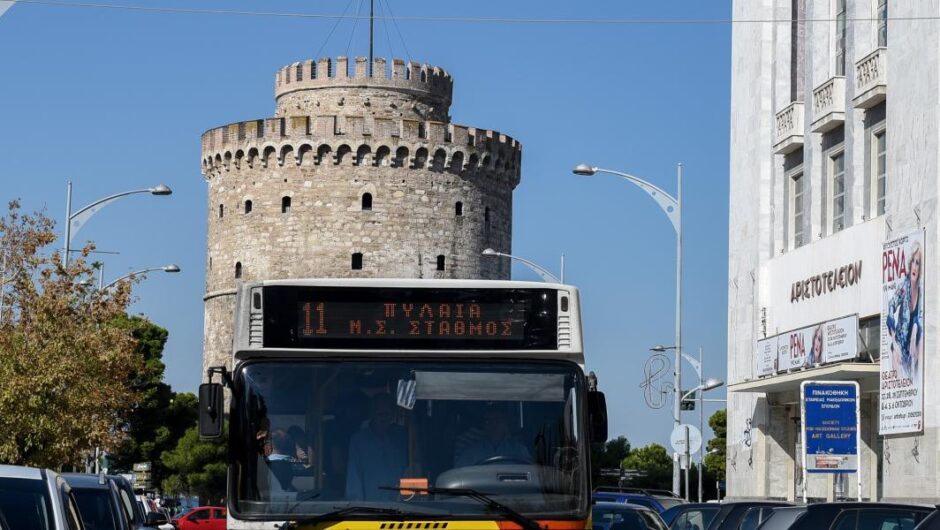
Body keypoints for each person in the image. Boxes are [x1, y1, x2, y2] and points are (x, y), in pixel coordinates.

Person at [344, 394, 408, 501]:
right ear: (372, 414)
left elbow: (412, 468)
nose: (384, 417)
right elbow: (354, 476)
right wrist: (357, 507)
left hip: (402, 506)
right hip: (371, 507)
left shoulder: (404, 436)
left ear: (393, 415)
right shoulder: (359, 440)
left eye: (387, 413)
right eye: (380, 414)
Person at [887, 241, 924, 378]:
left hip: (912, 354)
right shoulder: (904, 287)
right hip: (899, 351)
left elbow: (920, 317)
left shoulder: (921, 291)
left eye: (918, 263)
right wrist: (894, 341)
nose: (914, 266)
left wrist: (915, 330)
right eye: (913, 262)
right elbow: (891, 305)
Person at [454, 405, 531, 468]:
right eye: (488, 421)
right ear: (483, 426)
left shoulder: (519, 451)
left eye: (497, 420)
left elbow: (530, 475)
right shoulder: (471, 453)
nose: (493, 425)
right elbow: (458, 476)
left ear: (505, 424)